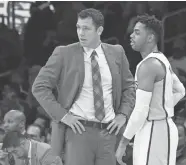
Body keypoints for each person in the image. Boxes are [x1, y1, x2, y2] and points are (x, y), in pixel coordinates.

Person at [32, 8, 135, 165]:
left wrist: (123, 114)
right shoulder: (63, 53)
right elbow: (39, 87)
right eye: (78, 27)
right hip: (78, 131)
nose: (81, 32)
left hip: (109, 132)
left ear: (99, 30)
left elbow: (129, 87)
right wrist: (63, 116)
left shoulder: (117, 52)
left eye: (86, 28)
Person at [115, 14, 185, 165]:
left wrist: (123, 143)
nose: (131, 36)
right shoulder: (161, 59)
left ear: (150, 38)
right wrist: (162, 108)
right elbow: (180, 90)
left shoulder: (149, 65)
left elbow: (141, 110)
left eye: (137, 32)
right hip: (158, 127)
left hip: (155, 129)